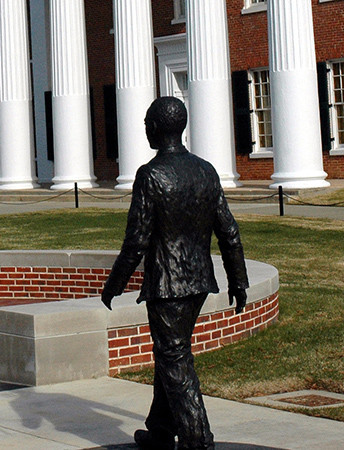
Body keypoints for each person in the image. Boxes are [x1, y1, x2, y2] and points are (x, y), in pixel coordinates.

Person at [101, 96, 249, 450]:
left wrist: (113, 285)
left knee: (174, 357)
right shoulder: (206, 170)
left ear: (156, 128)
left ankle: (198, 439)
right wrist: (238, 280)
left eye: (147, 123)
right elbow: (228, 231)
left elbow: (136, 240)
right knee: (170, 351)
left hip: (168, 285)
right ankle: (161, 429)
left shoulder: (150, 175)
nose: (146, 129)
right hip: (198, 281)